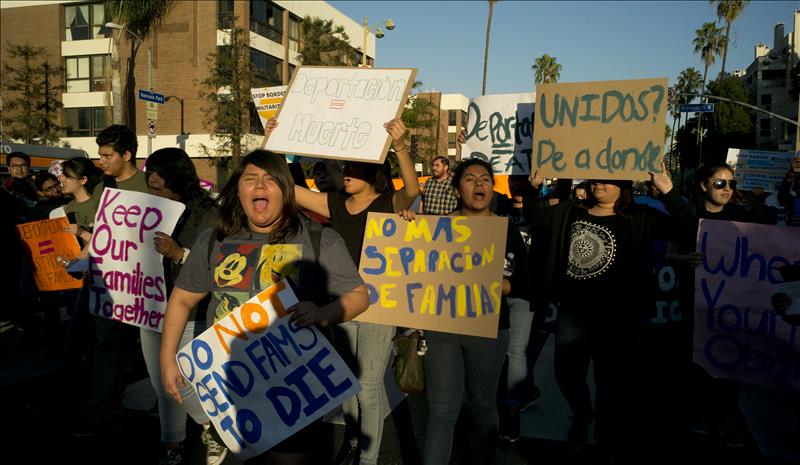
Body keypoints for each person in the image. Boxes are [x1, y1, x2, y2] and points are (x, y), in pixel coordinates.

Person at [160, 150, 369, 465]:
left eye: (270, 179)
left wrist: (324, 313)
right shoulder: (213, 240)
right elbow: (183, 298)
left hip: (294, 396)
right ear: (238, 190)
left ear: (285, 190)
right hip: (229, 392)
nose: (260, 186)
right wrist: (167, 358)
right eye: (250, 179)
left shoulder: (318, 239)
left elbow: (359, 295)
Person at [524, 164, 687, 463]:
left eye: (608, 179)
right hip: (574, 314)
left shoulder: (640, 217)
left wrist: (668, 190)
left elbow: (687, 226)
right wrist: (533, 188)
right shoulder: (571, 211)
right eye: (595, 177)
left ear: (623, 184)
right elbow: (534, 217)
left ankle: (606, 434)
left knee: (612, 381)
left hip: (620, 318)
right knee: (567, 373)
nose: (599, 184)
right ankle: (583, 413)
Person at [288, 118, 419, 465]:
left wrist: (401, 145)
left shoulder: (390, 202)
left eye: (355, 166)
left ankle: (369, 458)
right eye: (346, 165)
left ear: (374, 170)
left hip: (379, 306)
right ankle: (353, 439)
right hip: (341, 305)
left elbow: (412, 189)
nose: (345, 171)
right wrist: (277, 140)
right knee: (347, 382)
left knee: (369, 386)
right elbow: (288, 187)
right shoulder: (334, 205)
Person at [398, 158, 526, 465]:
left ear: (492, 190)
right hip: (443, 329)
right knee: (442, 412)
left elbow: (522, 282)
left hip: (489, 328)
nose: (479, 184)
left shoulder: (506, 230)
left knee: (483, 407)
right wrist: (406, 228)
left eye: (485, 179)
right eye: (470, 179)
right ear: (457, 190)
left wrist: (494, 284)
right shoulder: (434, 229)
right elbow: (413, 271)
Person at [142, 148, 226, 465]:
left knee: (182, 380)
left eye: (158, 176)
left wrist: (179, 253)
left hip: (189, 312)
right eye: (150, 174)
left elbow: (217, 265)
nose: (151, 181)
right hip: (148, 304)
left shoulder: (208, 212)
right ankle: (173, 444)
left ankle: (211, 426)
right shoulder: (146, 207)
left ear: (176, 176)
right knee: (161, 384)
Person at [72, 124, 150, 437]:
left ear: (127, 155)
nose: (100, 160)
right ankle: (103, 408)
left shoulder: (149, 186)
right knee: (106, 345)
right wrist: (82, 258)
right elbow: (102, 231)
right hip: (109, 283)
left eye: (107, 155)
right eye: (100, 154)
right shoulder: (104, 187)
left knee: (147, 350)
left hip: (143, 284)